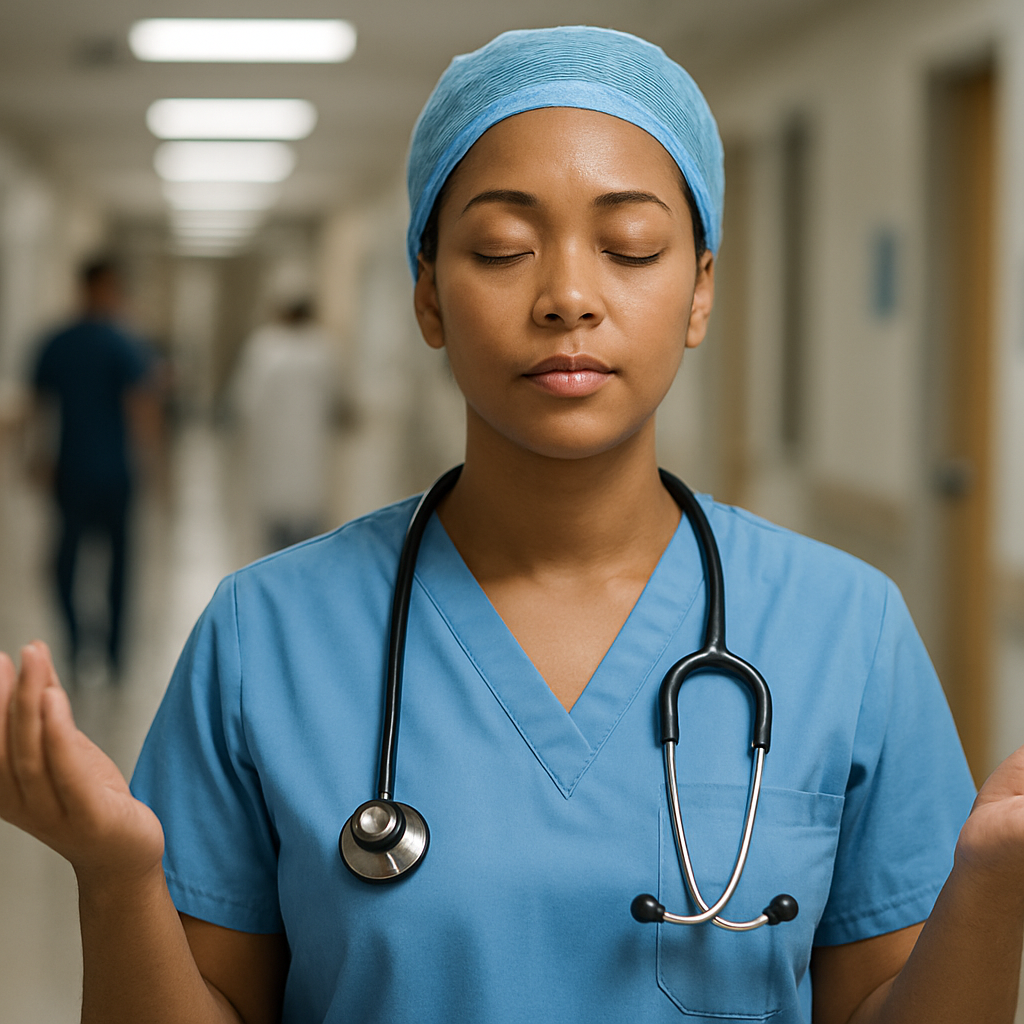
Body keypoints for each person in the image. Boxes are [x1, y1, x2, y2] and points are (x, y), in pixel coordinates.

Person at [0, 26, 1022, 1024]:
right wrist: (116, 873)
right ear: (429, 295)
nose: (567, 296)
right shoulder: (265, 635)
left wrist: (992, 882)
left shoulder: (845, 631)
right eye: (501, 247)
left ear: (699, 290)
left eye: (630, 245)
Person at [28, 257, 159, 680]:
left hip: (101, 472)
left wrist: (150, 462)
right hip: (85, 472)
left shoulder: (77, 342)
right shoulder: (108, 342)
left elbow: (140, 407)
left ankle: (107, 651)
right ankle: (88, 645)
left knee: (108, 566)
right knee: (74, 566)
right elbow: (42, 409)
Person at [231, 298, 335, 552]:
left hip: (272, 448)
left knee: (275, 520)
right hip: (307, 449)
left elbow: (244, 401)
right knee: (305, 515)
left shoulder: (265, 346)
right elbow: (335, 399)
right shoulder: (322, 348)